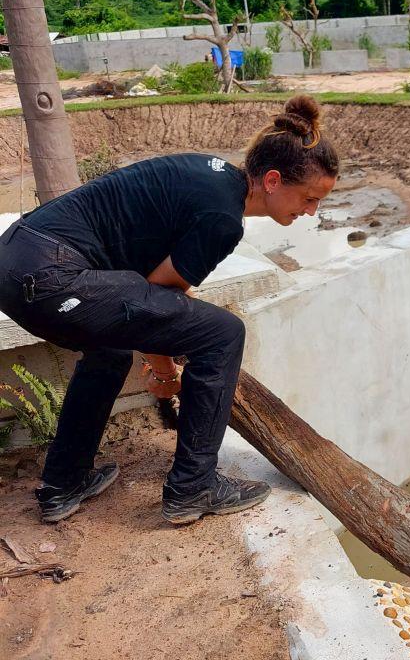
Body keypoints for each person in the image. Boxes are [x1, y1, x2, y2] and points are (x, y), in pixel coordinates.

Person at [0, 94, 339, 525]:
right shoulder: (223, 218)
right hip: (52, 276)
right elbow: (163, 295)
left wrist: (163, 363)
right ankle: (193, 487)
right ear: (272, 180)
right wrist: (164, 375)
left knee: (109, 353)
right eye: (309, 198)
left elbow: (155, 301)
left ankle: (62, 484)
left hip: (15, 262)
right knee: (223, 334)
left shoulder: (210, 176)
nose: (311, 212)